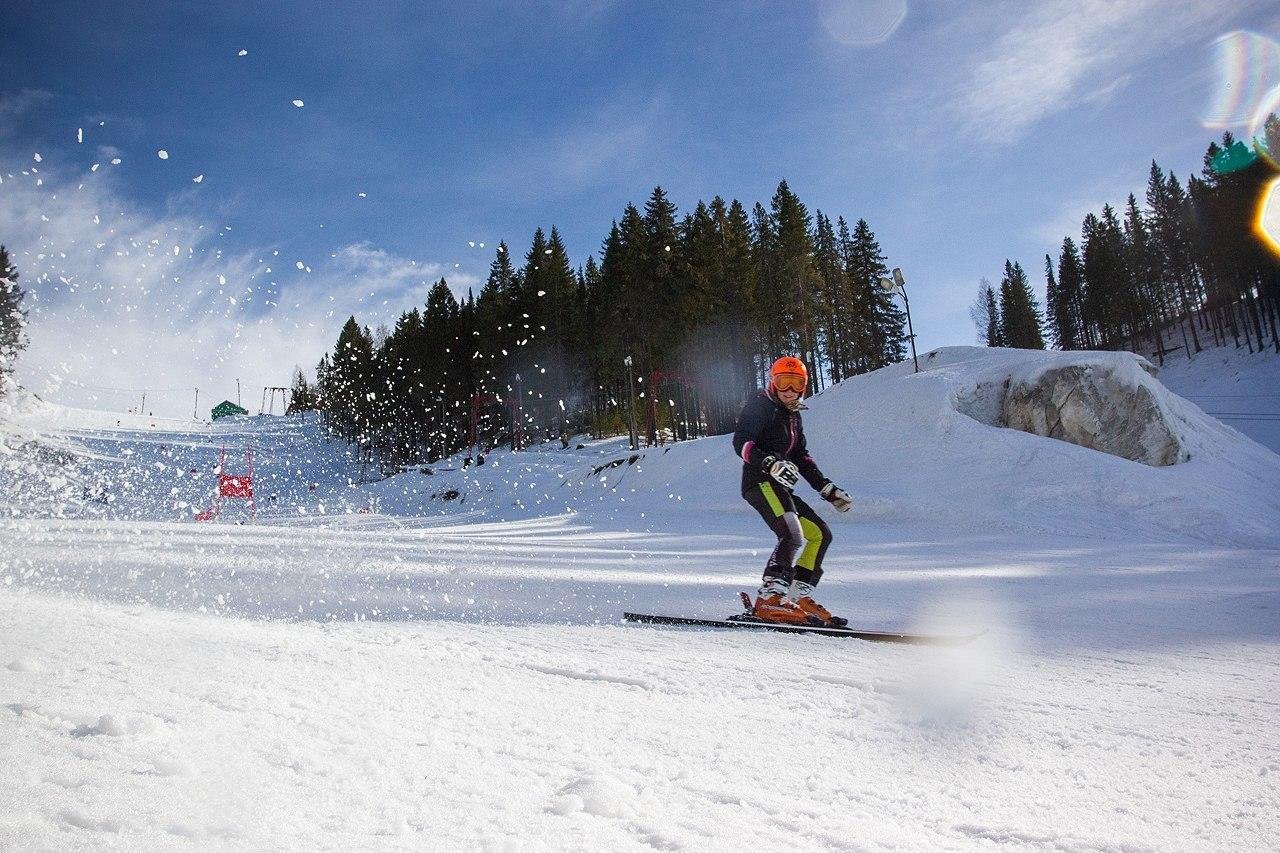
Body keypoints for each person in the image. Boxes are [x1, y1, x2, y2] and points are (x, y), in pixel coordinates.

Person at [732, 356, 854, 626]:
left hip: (779, 486)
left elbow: (801, 456)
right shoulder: (760, 406)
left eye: (795, 383)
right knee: (792, 534)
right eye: (782, 382)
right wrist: (770, 463)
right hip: (759, 482)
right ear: (772, 383)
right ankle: (769, 600)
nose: (789, 389)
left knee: (820, 534)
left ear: (804, 387)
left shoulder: (793, 416)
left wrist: (827, 489)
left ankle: (797, 598)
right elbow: (741, 441)